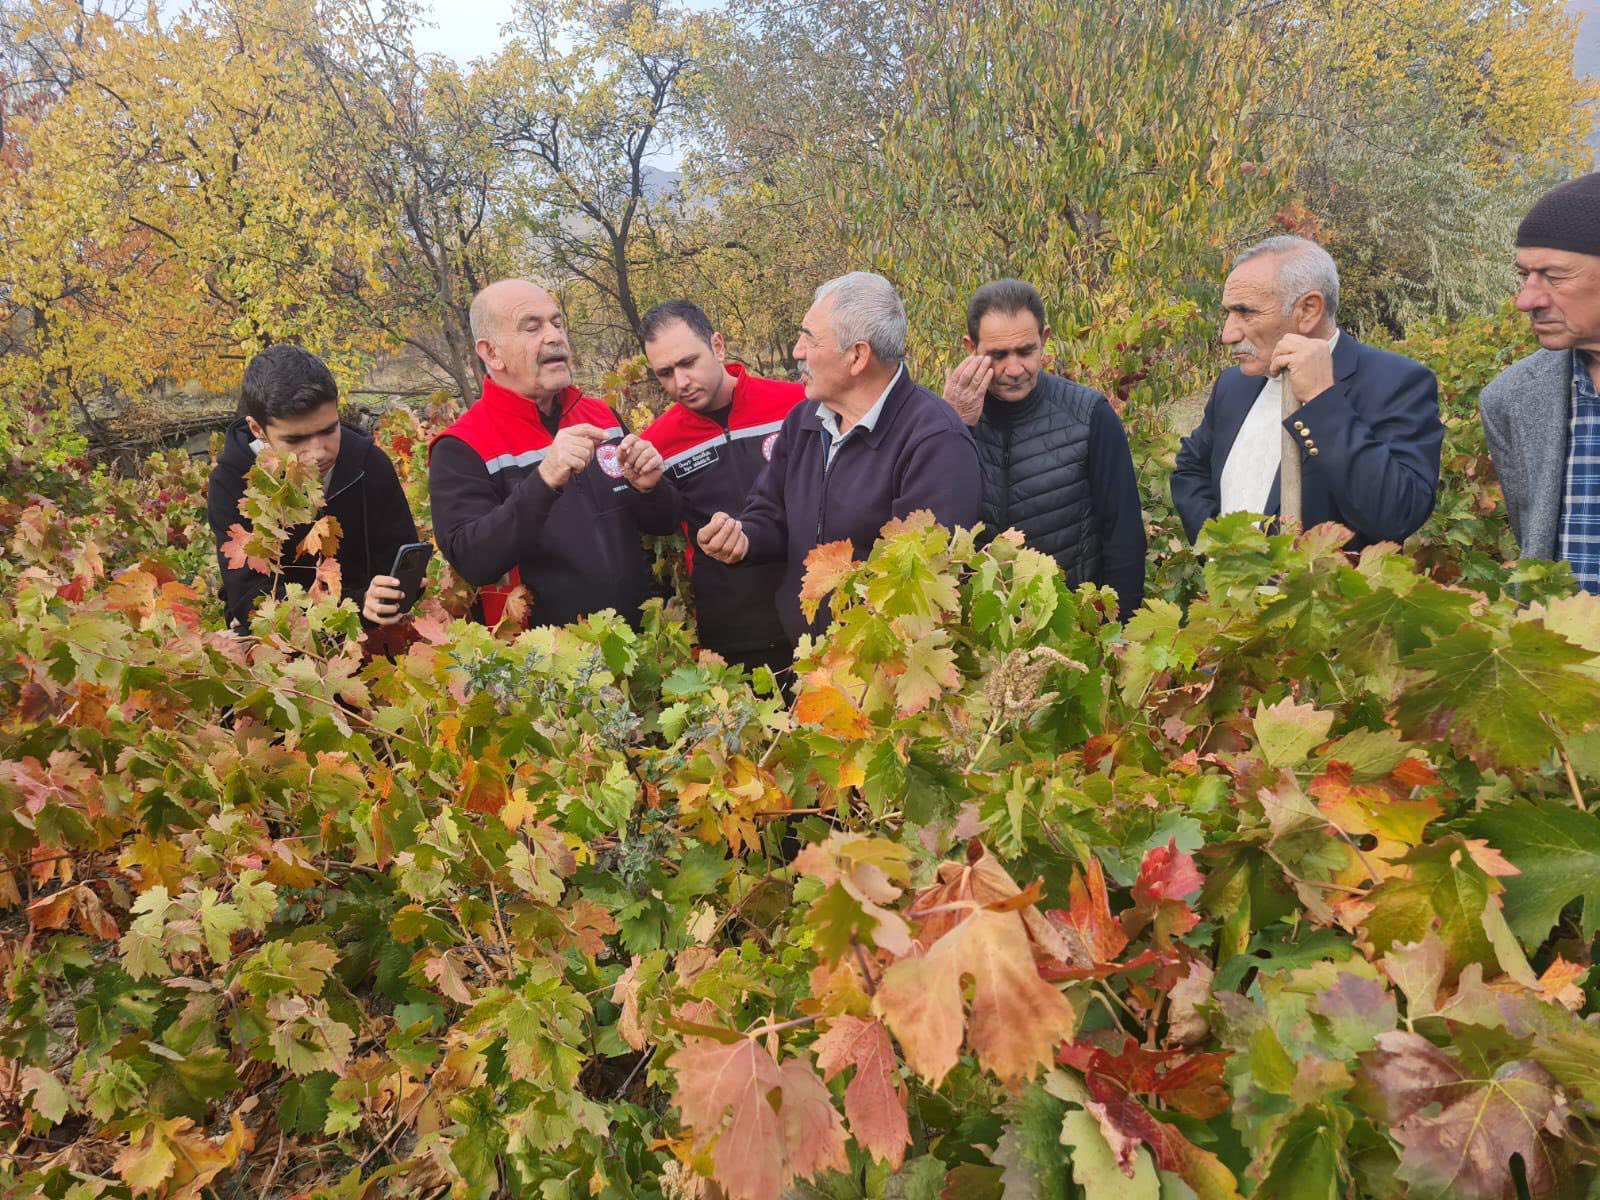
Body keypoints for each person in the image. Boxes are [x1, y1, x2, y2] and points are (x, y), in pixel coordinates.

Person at [696, 272, 982, 643]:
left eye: (809, 338)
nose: (797, 350)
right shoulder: (804, 421)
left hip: (878, 669)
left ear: (857, 356)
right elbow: (770, 513)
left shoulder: (935, 441)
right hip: (809, 661)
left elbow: (920, 580)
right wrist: (743, 538)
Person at [428, 279, 675, 628]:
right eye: (533, 327)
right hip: (545, 669)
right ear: (491, 352)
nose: (554, 336)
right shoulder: (462, 447)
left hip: (634, 649)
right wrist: (543, 480)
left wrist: (650, 488)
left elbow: (661, 524)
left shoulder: (602, 417)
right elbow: (473, 560)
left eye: (557, 323)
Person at [1171, 235, 1442, 549]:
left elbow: (1397, 515)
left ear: (1309, 310)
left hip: (1320, 596)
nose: (1227, 334)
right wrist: (1220, 551)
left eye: (1246, 312)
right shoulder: (1235, 385)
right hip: (1230, 598)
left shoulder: (1395, 383)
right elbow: (1190, 469)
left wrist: (1322, 401)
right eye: (1227, 314)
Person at [942, 279, 1145, 621]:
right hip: (977, 628)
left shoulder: (1089, 415)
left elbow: (1123, 534)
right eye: (998, 355)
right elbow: (932, 524)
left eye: (1026, 351)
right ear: (970, 347)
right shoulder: (946, 422)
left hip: (1070, 626)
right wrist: (955, 428)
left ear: (1045, 340)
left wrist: (1120, 632)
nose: (1014, 369)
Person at [637, 300, 805, 673]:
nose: (680, 382)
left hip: (813, 609)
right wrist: (644, 490)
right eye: (664, 373)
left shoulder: (795, 405)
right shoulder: (658, 443)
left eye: (688, 362)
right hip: (733, 632)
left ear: (717, 345)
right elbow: (658, 524)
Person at [208, 344, 419, 632]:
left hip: (371, 644)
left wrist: (394, 593)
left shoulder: (370, 466)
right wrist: (357, 607)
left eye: (329, 430)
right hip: (279, 653)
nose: (318, 451)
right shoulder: (231, 482)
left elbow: (397, 566)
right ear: (258, 430)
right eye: (296, 440)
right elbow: (251, 600)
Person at [1480, 172, 1600, 594]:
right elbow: (1534, 545)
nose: (1525, 300)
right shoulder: (1510, 399)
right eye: (1525, 276)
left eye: (1554, 275)